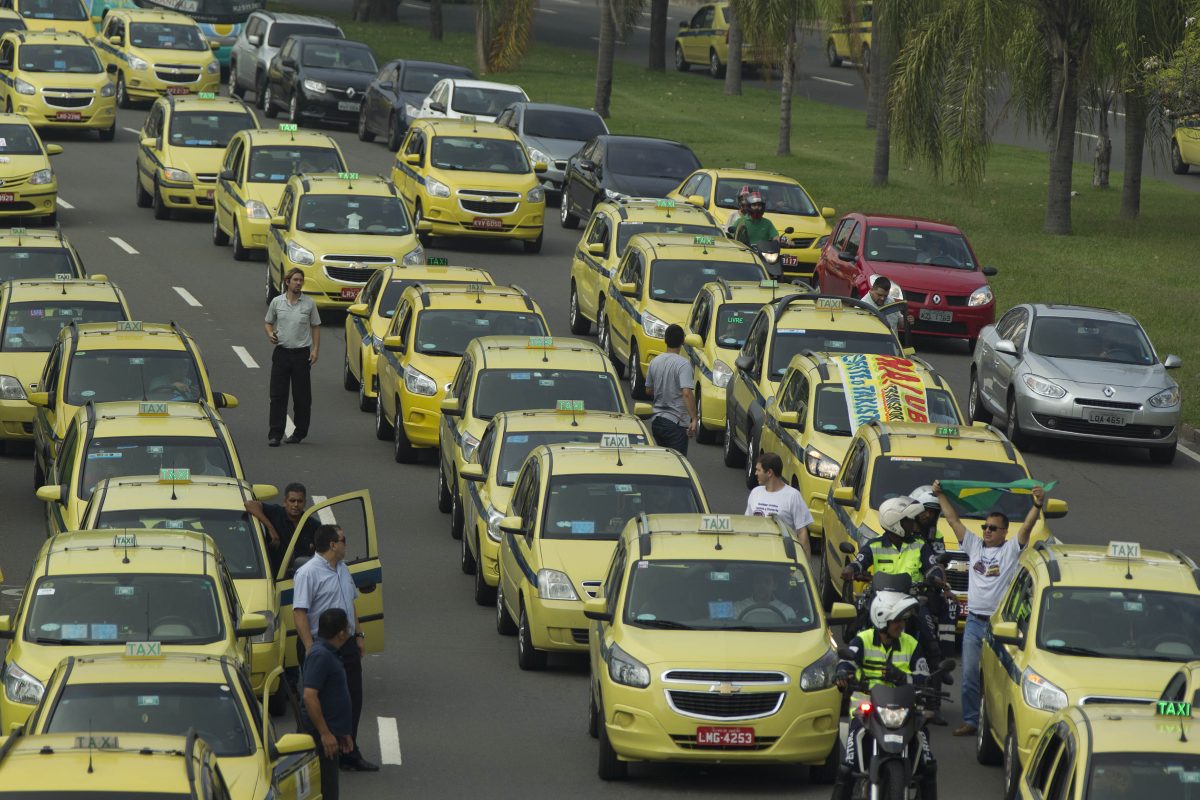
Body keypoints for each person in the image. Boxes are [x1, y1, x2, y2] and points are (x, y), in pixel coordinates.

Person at [936, 479, 1044, 737]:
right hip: (974, 623)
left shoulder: (1010, 550)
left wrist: (1037, 505)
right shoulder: (973, 546)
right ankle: (971, 720)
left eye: (993, 528)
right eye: (985, 526)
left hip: (998, 626)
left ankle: (999, 722)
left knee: (999, 679)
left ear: (1005, 532)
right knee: (969, 676)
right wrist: (940, 495)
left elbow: (1028, 526)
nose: (987, 531)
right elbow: (953, 521)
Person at [841, 495, 947, 722]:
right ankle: (850, 692)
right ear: (895, 523)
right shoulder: (875, 545)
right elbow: (860, 560)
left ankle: (933, 702)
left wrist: (936, 576)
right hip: (880, 601)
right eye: (909, 521)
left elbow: (932, 566)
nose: (913, 524)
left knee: (930, 640)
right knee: (856, 633)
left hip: (912, 602)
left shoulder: (920, 545)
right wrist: (851, 568)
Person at [831, 591, 934, 800]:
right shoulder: (863, 640)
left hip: (903, 708)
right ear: (882, 620)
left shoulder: (911, 644)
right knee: (847, 765)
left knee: (929, 764)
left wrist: (903, 677)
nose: (901, 625)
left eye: (903, 620)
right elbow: (846, 661)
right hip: (866, 708)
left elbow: (924, 676)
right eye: (896, 621)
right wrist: (842, 673)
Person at [293, 524, 378, 772]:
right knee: (316, 699)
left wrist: (359, 634)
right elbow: (299, 612)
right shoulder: (308, 573)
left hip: (346, 643)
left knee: (351, 699)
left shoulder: (343, 568)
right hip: (321, 646)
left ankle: (349, 750)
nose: (345, 544)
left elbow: (351, 604)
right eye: (343, 539)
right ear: (333, 544)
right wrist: (310, 647)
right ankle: (313, 752)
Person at [301, 607, 355, 800]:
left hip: (331, 735)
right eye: (347, 628)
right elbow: (309, 696)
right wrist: (325, 733)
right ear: (341, 633)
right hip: (320, 738)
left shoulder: (328, 653)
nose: (349, 631)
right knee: (326, 791)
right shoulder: (321, 656)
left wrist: (341, 733)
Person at [265, 267, 320, 446]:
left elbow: (316, 326)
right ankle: (275, 434)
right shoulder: (277, 302)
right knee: (277, 396)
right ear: (287, 282)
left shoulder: (309, 304)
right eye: (295, 280)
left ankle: (299, 432)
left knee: (302, 397)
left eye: (300, 280)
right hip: (281, 353)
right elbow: (268, 322)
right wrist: (270, 333)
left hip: (301, 355)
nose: (298, 283)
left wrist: (315, 350)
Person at [745, 451, 813, 557]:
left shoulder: (793, 496)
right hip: (756, 553)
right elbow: (747, 524)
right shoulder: (755, 492)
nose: (755, 473)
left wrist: (806, 563)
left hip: (782, 556)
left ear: (769, 473)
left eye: (758, 470)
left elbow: (802, 532)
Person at [244, 482, 320, 575]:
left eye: (300, 501)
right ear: (285, 501)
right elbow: (249, 504)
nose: (296, 505)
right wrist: (271, 528)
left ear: (305, 502)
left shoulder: (314, 525)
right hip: (275, 578)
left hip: (302, 577)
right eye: (292, 501)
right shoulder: (276, 513)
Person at [643, 324, 697, 456]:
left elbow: (648, 390)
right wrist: (694, 418)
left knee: (662, 461)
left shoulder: (655, 362)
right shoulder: (683, 365)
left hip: (657, 421)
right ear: (682, 342)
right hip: (676, 423)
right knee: (678, 464)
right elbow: (686, 393)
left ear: (665, 340)